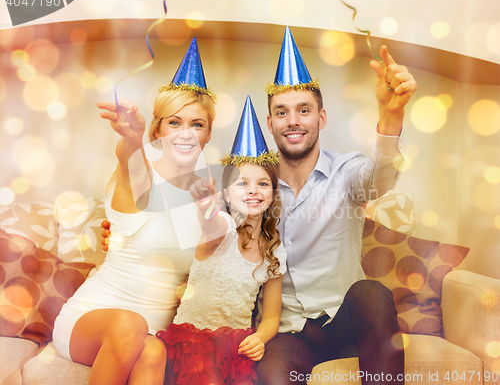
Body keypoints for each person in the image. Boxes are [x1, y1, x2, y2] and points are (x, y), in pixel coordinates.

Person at [254, 27, 417, 385]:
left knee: (372, 292)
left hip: (342, 321)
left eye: (303, 110)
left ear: (321, 118)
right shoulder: (252, 188)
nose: (293, 120)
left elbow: (381, 179)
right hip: (287, 332)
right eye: (281, 113)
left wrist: (391, 117)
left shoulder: (347, 172)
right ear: (270, 124)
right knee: (270, 376)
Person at [52, 38, 217, 385]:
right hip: (93, 320)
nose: (185, 133)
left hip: (148, 335)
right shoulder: (139, 177)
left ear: (207, 135)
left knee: (154, 350)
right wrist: (132, 138)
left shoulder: (207, 196)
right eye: (174, 122)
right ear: (157, 129)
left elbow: (212, 263)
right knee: (132, 324)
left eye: (197, 124)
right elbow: (133, 166)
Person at [156, 96, 286, 385]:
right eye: (242, 183)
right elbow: (211, 223)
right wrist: (205, 205)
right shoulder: (223, 226)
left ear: (273, 193)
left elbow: (271, 317)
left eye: (263, 183)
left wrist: (260, 338)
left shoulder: (275, 251)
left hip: (234, 346)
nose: (253, 191)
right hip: (190, 341)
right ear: (227, 194)